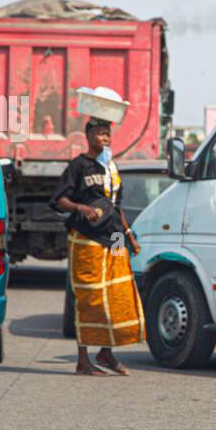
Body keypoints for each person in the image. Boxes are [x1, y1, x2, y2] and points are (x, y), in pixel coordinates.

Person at [50, 118, 145, 375]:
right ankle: (83, 359)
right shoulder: (79, 166)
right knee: (89, 296)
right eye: (101, 133)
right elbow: (59, 199)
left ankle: (106, 353)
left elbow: (116, 206)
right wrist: (81, 208)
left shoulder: (111, 167)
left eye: (108, 134)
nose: (106, 138)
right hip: (87, 236)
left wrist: (129, 236)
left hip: (114, 236)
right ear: (88, 135)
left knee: (117, 294)